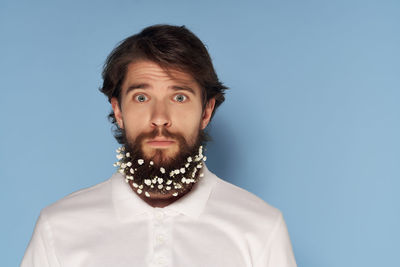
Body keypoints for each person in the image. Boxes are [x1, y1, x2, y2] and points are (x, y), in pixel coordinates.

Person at [21, 24, 297, 267]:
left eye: (179, 97)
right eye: (141, 98)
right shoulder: (58, 227)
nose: (159, 118)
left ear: (206, 111)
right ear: (118, 111)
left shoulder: (260, 226)